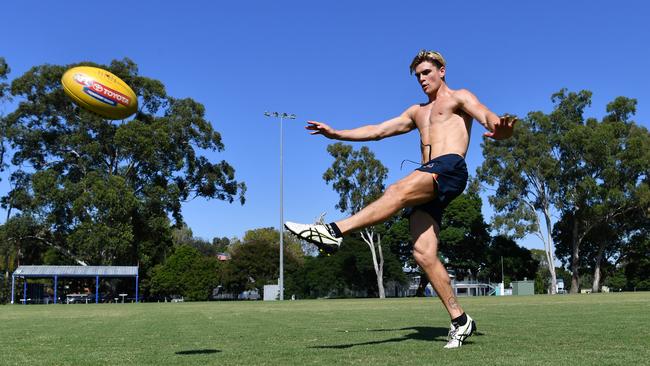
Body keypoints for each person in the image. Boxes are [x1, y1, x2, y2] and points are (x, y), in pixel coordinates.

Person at [285, 50, 516, 349]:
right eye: (418, 75)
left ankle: (333, 232)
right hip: (427, 178)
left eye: (427, 72)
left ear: (442, 70)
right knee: (423, 254)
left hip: (449, 168)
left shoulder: (459, 97)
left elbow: (487, 116)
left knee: (395, 191)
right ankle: (460, 320)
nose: (422, 79)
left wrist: (500, 130)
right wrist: (336, 134)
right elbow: (378, 130)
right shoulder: (417, 112)